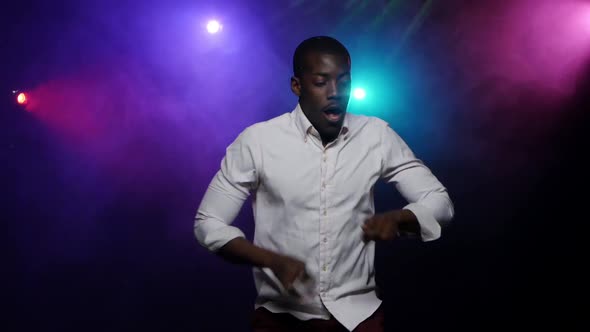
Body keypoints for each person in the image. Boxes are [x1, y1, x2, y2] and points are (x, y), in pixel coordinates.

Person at [194, 36, 454, 332]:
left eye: (344, 82)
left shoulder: (376, 135)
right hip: (279, 320)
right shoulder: (257, 141)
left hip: (359, 319)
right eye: (321, 82)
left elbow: (440, 202)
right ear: (297, 85)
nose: (336, 93)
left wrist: (402, 218)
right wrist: (270, 260)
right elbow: (208, 222)